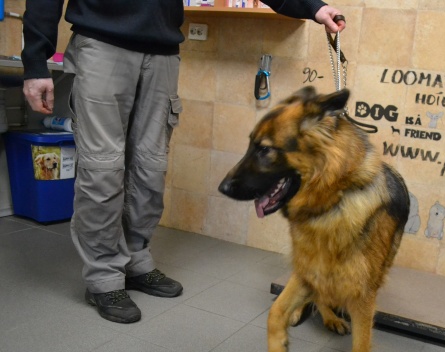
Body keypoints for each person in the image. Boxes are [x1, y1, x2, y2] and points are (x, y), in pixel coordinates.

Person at [21, 0, 346, 324]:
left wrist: (313, 8)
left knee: (150, 168)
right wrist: (36, 61)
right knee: (102, 170)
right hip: (101, 46)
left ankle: (135, 260)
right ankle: (104, 278)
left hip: (162, 52)